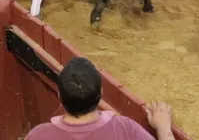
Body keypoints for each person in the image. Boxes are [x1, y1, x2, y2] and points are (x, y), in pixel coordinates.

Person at [25, 57, 176, 140]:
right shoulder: (125, 129)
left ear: (59, 95)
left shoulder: (38, 135)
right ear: (101, 94)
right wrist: (164, 129)